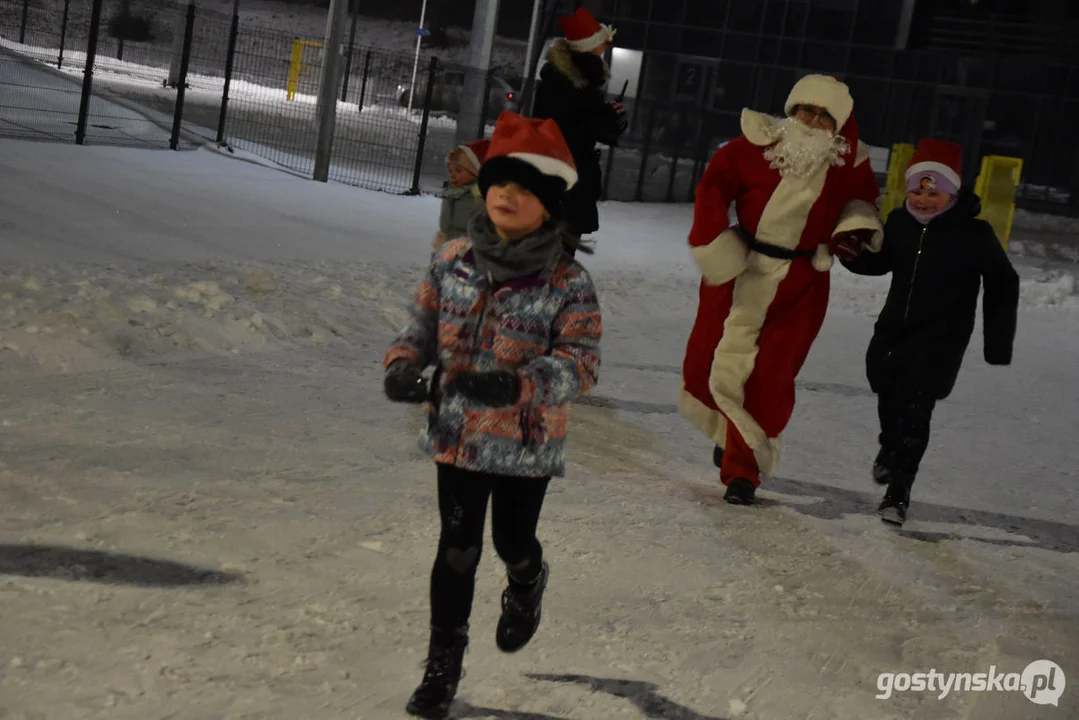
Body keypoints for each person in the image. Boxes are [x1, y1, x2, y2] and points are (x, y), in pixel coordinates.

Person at [382, 111, 602, 719]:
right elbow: (422, 322)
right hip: (457, 434)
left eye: (525, 188)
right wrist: (403, 362)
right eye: (500, 182)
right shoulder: (452, 258)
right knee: (457, 548)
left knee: (511, 541)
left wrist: (520, 385)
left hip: (525, 442)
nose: (507, 194)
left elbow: (580, 363)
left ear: (550, 206)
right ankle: (441, 669)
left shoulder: (568, 282)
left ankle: (528, 581)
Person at [679, 74, 885, 506]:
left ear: (839, 124)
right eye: (805, 110)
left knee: (769, 378)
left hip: (801, 284)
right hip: (740, 268)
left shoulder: (848, 162)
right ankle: (730, 429)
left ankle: (743, 471)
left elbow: (861, 203)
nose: (812, 120)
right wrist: (711, 236)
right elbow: (714, 185)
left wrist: (853, 229)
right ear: (791, 111)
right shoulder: (755, 146)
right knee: (703, 361)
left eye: (824, 115)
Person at [840, 138, 1019, 525]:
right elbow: (881, 263)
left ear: (951, 193)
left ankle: (898, 493)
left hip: (941, 339)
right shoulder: (900, 223)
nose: (924, 199)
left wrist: (998, 343)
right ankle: (889, 450)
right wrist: (853, 256)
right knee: (887, 392)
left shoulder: (975, 234)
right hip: (894, 331)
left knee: (916, 409)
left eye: (934, 191)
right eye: (918, 189)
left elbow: (1004, 282)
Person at [532, 7, 627, 254]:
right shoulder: (571, 84)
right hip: (565, 176)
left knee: (555, 246)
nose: (604, 49)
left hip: (560, 174)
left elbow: (587, 125)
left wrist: (610, 118)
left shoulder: (572, 81)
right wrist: (607, 117)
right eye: (601, 44)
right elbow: (576, 127)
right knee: (558, 249)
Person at [433, 139, 489, 252]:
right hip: (447, 244)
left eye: (458, 171)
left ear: (475, 172)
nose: (452, 175)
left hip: (470, 249)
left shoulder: (480, 197)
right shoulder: (452, 192)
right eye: (450, 170)